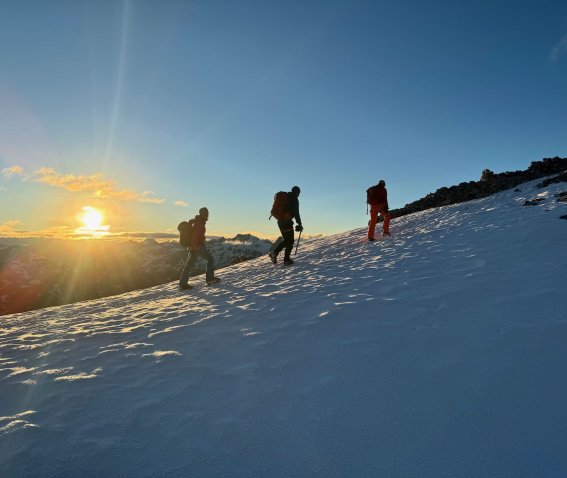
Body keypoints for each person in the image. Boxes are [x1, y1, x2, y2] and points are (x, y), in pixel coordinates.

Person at [179, 207, 220, 290]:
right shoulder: (199, 223)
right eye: (206, 213)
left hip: (192, 246)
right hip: (196, 246)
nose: (207, 215)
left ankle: (183, 284)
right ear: (203, 214)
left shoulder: (198, 222)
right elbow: (195, 237)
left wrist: (192, 247)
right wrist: (194, 248)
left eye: (207, 213)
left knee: (189, 265)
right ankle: (210, 279)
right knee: (210, 259)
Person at [269, 186, 303, 265]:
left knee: (287, 240)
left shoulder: (286, 197)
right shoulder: (294, 199)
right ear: (297, 192)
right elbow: (296, 213)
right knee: (290, 241)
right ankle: (286, 260)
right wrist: (299, 224)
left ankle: (275, 253)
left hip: (280, 222)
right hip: (287, 222)